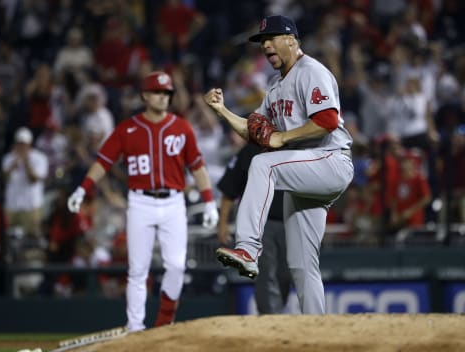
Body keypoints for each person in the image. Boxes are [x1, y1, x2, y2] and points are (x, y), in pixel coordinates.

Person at [204, 15, 354, 314]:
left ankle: (247, 248)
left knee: (263, 165)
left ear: (292, 40)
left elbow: (326, 121)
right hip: (304, 174)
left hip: (331, 160)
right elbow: (254, 131)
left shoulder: (311, 71)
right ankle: (319, 331)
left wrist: (283, 138)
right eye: (262, 41)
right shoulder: (275, 87)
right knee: (300, 265)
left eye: (272, 38)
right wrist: (222, 111)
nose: (266, 45)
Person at [67, 71, 219, 331]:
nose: (162, 97)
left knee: (176, 266)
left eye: (166, 93)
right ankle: (135, 327)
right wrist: (83, 188)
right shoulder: (127, 128)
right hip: (140, 203)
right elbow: (103, 161)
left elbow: (198, 167)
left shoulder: (182, 127)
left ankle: (163, 322)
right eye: (157, 92)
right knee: (138, 269)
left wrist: (208, 201)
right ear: (145, 95)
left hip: (173, 202)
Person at [217, 142, 291, 314]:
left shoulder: (297, 147)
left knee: (285, 274)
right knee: (266, 273)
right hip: (259, 223)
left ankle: (277, 314)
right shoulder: (251, 150)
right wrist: (222, 223)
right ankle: (270, 317)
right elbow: (230, 188)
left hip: (291, 222)